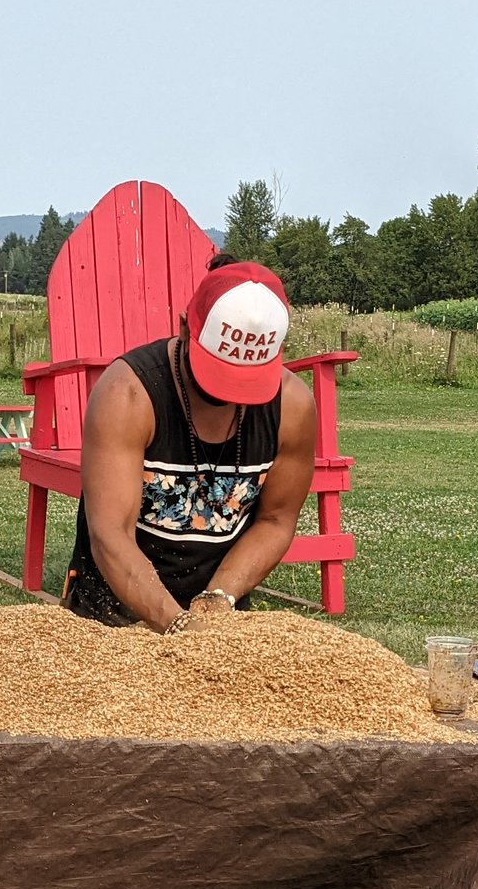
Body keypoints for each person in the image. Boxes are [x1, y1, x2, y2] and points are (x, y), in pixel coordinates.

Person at [63, 256, 317, 633]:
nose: (231, 396)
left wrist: (217, 601)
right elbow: (110, 534)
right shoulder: (129, 394)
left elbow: (275, 520)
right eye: (218, 372)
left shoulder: (292, 407)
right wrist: (177, 626)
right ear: (185, 327)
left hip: (217, 617)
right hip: (112, 617)